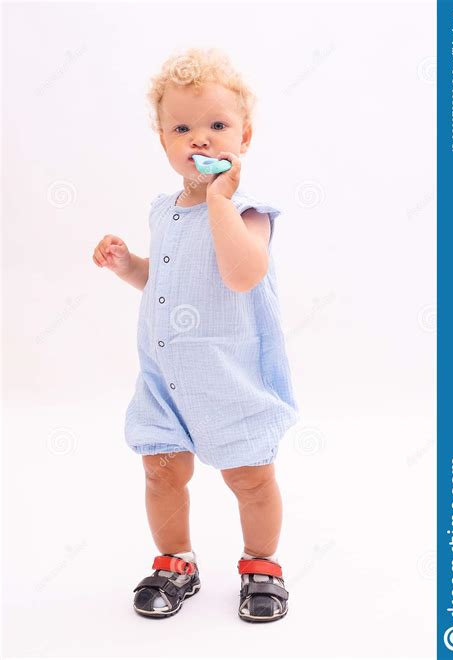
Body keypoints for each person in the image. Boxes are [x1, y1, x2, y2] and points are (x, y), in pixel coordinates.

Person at [92, 47, 299, 622]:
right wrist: (127, 263)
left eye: (216, 125)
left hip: (229, 376)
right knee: (161, 471)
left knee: (251, 478)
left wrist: (220, 201)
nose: (200, 139)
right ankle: (174, 559)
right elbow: (163, 285)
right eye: (182, 127)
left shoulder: (248, 210)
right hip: (163, 378)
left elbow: (241, 273)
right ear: (164, 142)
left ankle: (261, 564)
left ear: (245, 135)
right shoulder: (162, 211)